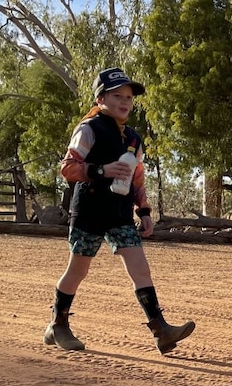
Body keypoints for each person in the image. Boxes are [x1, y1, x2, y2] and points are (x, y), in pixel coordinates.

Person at [44, 68, 195, 355]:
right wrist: (101, 170)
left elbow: (137, 177)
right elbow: (68, 168)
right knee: (78, 271)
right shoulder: (88, 128)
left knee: (140, 268)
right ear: (101, 99)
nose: (125, 102)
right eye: (118, 96)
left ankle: (161, 330)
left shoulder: (134, 139)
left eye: (129, 97)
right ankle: (58, 325)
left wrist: (145, 210)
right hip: (89, 210)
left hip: (120, 214)